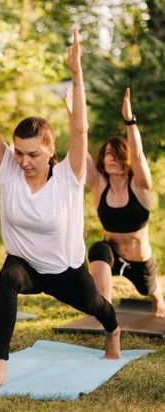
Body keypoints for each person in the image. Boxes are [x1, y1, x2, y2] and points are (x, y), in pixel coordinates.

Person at [0, 22, 121, 391]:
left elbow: (80, 131)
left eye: (33, 154)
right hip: (25, 266)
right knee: (6, 278)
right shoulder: (7, 169)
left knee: (98, 306)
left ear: (50, 150)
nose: (24, 161)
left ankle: (113, 332)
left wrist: (77, 74)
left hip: (65, 270)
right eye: (19, 152)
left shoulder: (69, 176)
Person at [65, 87, 164, 317]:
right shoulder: (99, 185)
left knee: (151, 293)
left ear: (125, 159)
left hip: (140, 260)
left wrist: (129, 121)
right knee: (98, 250)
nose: (110, 157)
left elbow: (138, 155)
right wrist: (73, 116)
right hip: (112, 253)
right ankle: (105, 311)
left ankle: (158, 296)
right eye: (107, 153)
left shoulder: (139, 186)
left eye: (116, 154)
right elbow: (81, 148)